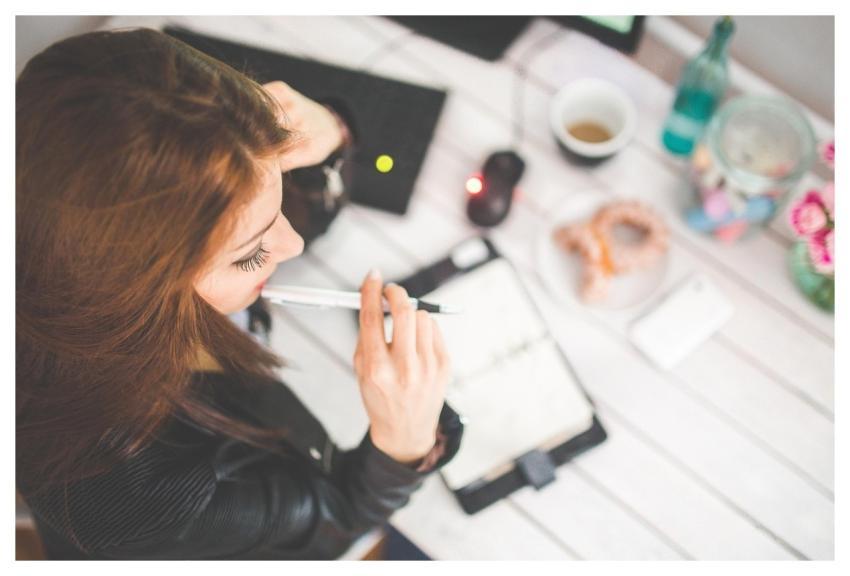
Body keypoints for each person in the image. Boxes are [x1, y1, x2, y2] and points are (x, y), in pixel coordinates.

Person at [16, 26, 463, 560]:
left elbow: (266, 212)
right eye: (250, 254)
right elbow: (334, 525)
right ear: (135, 291)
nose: (292, 245)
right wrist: (403, 443)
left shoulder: (103, 195)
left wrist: (331, 130)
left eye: (279, 181)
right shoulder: (139, 492)